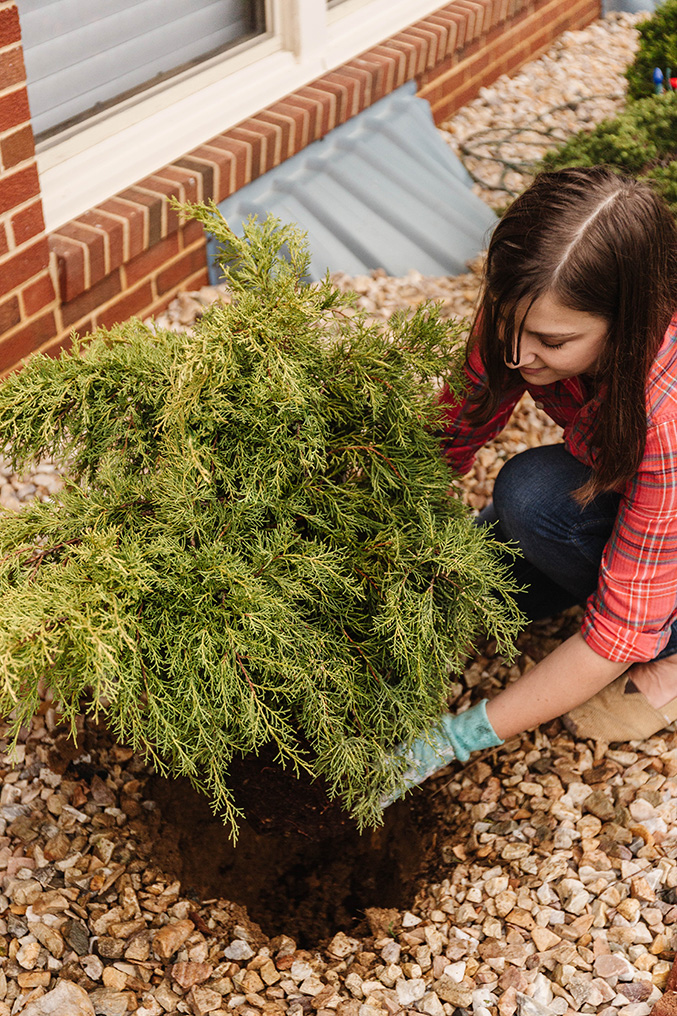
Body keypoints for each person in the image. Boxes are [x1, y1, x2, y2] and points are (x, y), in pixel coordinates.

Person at [388, 166, 677, 800]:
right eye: (509, 327)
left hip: (669, 521)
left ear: (626, 323)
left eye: (552, 342)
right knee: (523, 509)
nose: (519, 357)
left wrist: (455, 738)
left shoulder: (667, 414)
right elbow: (450, 433)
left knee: (534, 507)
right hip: (642, 501)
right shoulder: (531, 306)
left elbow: (619, 626)